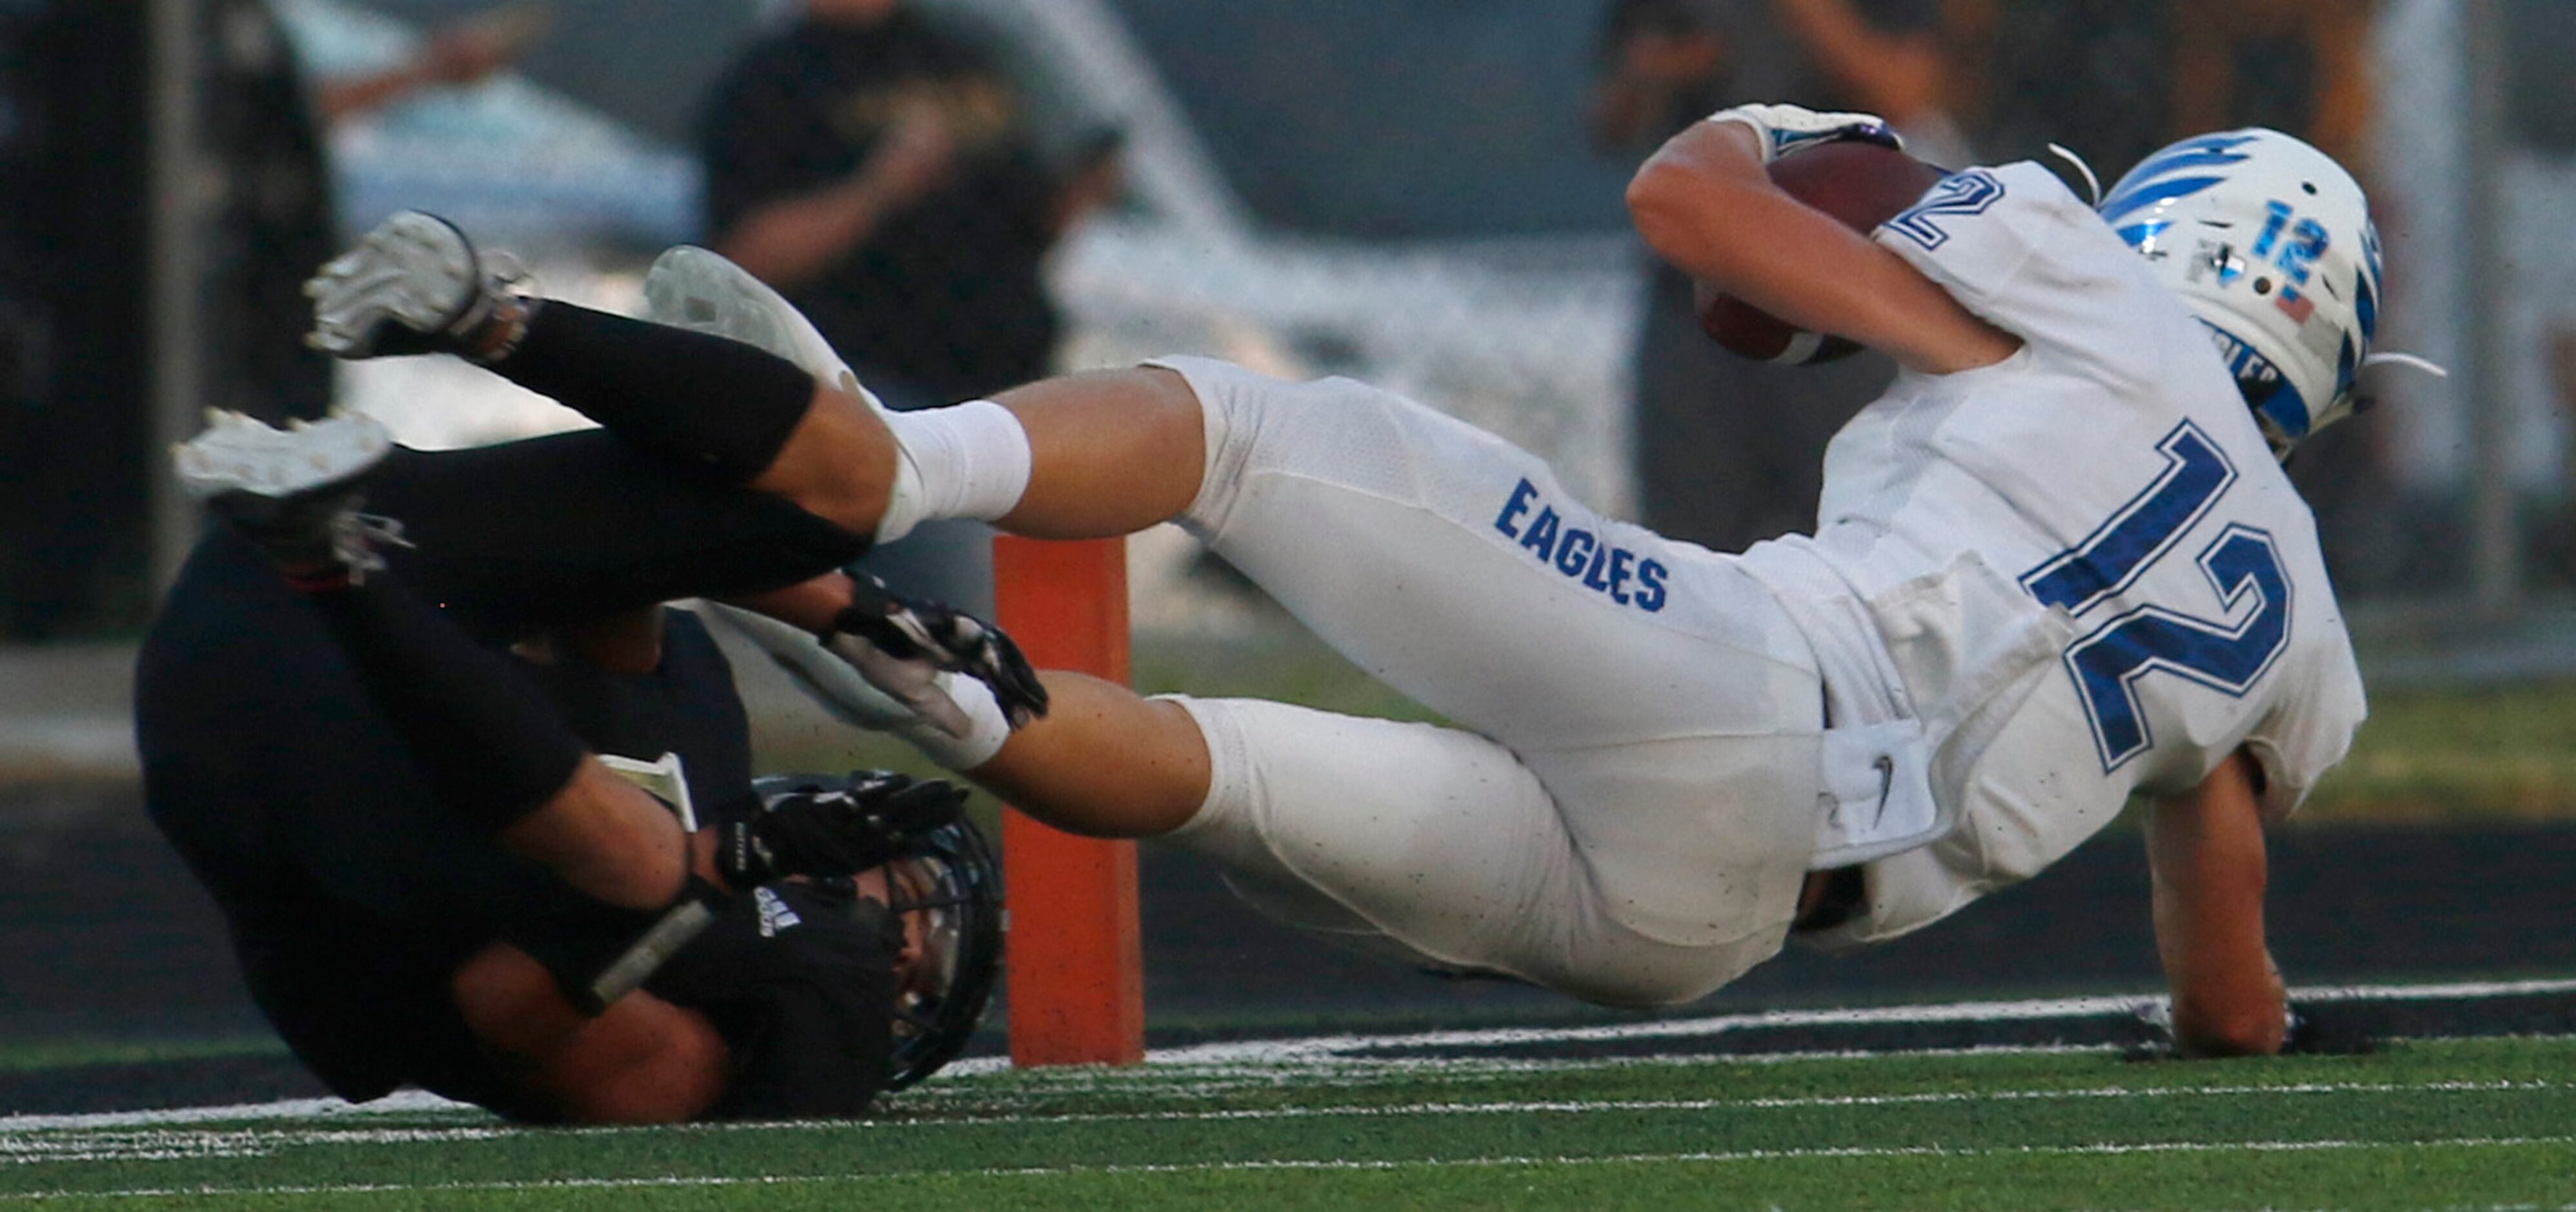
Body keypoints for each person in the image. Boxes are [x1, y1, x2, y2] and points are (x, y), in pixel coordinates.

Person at [315, 102, 2390, 1056]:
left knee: (1253, 426)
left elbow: (1689, 197)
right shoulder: (2292, 615)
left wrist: (1806, 174)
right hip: (1715, 925)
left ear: (2172, 240)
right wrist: (2238, 1027)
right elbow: (2223, 980)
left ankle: (876, 469)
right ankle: (928, 678)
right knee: (1229, 771)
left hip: (1749, 682)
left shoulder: (2083, 286)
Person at [137, 217, 1038, 1121]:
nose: (910, 953)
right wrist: (853, 612)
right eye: (919, 906)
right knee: (855, 485)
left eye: (918, 968)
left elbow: (513, 1012)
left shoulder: (741, 1022)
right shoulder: (703, 730)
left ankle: (328, 556)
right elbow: (620, 573)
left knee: (645, 871)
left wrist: (720, 872)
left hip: (285, 741)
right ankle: (482, 318)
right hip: (360, 553)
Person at [695, 0, 1122, 616]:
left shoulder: (960, 59)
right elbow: (744, 254)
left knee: (1055, 628)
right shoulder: (774, 77)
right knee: (958, 630)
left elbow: (1024, 224)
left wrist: (1079, 192)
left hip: (1012, 388)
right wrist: (880, 187)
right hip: (881, 398)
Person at [1589, 0, 1904, 554]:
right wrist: (1658, 70)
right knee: (1689, 547)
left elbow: (1910, 91)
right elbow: (1610, 124)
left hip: (1833, 295)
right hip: (1695, 299)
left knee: (1858, 527)